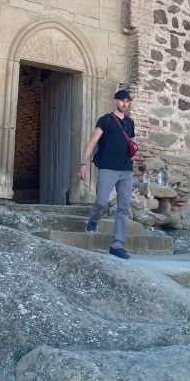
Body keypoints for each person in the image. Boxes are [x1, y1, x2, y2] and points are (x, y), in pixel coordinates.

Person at [78, 89, 136, 260]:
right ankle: (93, 220)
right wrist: (83, 164)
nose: (125, 104)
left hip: (126, 170)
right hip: (108, 168)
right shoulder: (106, 120)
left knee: (124, 208)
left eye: (127, 101)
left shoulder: (130, 123)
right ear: (115, 101)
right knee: (101, 201)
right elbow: (92, 142)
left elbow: (130, 143)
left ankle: (117, 245)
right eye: (122, 100)